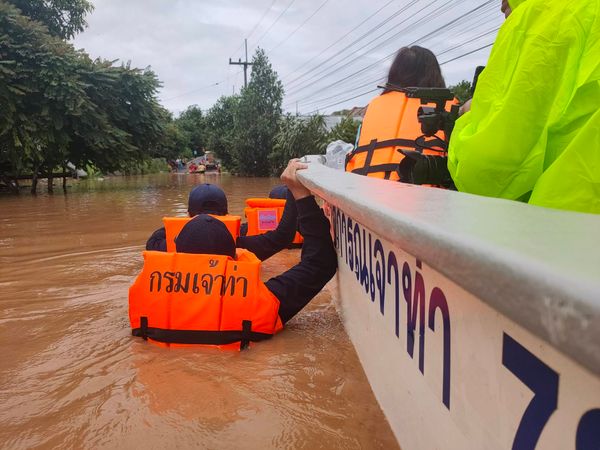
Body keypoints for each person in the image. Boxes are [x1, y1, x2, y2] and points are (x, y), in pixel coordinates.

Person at [129, 160, 338, 348]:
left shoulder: (149, 289)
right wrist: (300, 195)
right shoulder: (260, 301)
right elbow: (320, 263)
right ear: (235, 257)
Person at [448, 0, 600, 214]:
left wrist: (465, 120)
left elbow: (489, 172)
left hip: (561, 233)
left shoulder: (539, 16)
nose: (501, 4)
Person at [345, 46, 453, 181]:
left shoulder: (373, 106)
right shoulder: (450, 107)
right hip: (425, 197)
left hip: (364, 192)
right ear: (434, 74)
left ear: (394, 74)